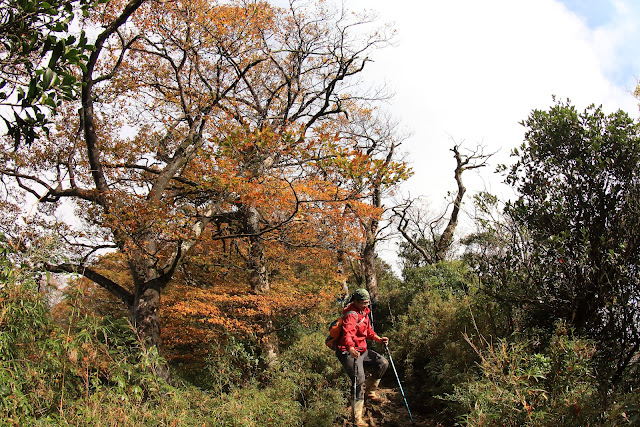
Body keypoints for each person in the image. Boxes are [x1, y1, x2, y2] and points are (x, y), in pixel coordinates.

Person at [336, 288, 389, 426]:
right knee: (359, 378)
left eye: (367, 303)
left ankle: (370, 393)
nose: (366, 305)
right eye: (363, 303)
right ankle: (357, 417)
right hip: (347, 351)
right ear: (356, 301)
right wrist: (351, 348)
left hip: (362, 349)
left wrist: (379, 339)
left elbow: (369, 332)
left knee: (382, 363)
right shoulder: (351, 315)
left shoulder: (364, 313)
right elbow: (348, 334)